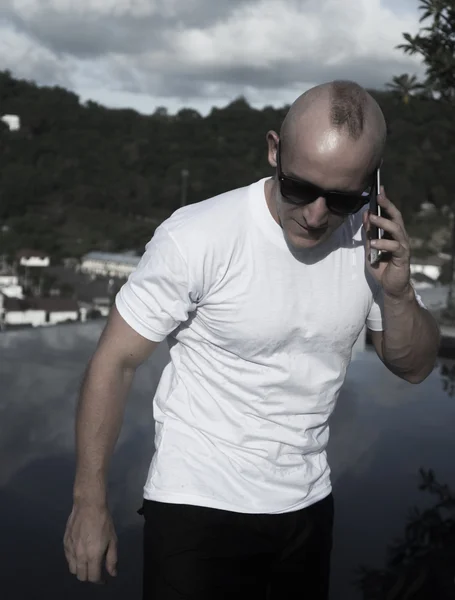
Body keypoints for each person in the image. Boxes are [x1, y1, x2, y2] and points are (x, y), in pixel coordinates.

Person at [63, 80, 440, 599]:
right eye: (300, 187)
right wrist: (89, 503)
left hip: (307, 506)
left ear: (372, 184)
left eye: (341, 198)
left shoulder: (369, 245)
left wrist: (398, 296)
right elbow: (114, 362)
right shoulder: (197, 236)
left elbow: (415, 366)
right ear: (273, 150)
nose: (315, 214)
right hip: (195, 505)